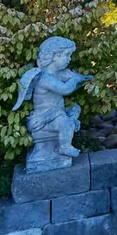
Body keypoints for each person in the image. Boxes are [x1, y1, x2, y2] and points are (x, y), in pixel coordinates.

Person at [14, 35, 86, 171]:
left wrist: (83, 79)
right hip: (44, 120)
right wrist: (75, 79)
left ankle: (68, 128)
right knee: (66, 123)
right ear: (54, 56)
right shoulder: (45, 78)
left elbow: (69, 86)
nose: (69, 59)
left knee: (74, 109)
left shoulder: (55, 75)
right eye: (66, 55)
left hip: (56, 114)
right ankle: (64, 146)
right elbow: (65, 89)